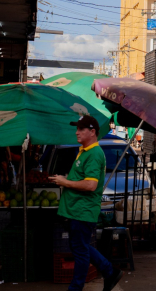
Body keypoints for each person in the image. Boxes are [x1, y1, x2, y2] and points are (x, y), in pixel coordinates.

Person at [49, 115, 122, 291]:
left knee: (80, 251)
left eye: (81, 129)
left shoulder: (94, 154)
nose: (77, 132)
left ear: (92, 132)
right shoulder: (85, 151)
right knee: (81, 247)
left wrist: (66, 182)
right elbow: (84, 179)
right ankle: (109, 271)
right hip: (77, 210)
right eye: (77, 129)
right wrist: (67, 179)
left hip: (83, 211)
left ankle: (77, 287)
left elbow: (91, 185)